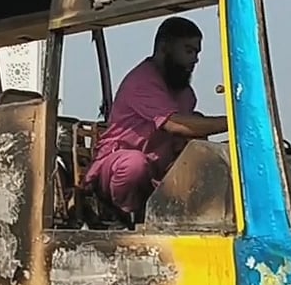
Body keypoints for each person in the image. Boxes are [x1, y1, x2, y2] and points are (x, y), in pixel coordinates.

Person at [84, 16, 228, 222]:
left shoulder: (185, 93)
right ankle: (124, 218)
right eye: (188, 51)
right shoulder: (142, 82)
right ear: (164, 48)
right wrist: (234, 121)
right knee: (134, 165)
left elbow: (189, 133)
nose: (195, 59)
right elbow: (177, 125)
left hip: (157, 173)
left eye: (197, 53)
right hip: (117, 170)